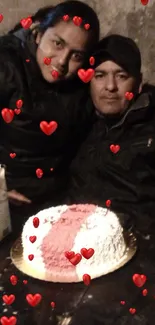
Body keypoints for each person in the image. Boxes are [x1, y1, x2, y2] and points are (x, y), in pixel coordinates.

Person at [0, 0, 100, 232]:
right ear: (37, 35)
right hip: (7, 203)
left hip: (56, 206)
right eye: (57, 43)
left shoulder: (81, 85)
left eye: (76, 56)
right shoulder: (7, 66)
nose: (62, 61)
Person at [68, 34, 155, 229]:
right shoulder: (79, 122)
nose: (110, 87)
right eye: (100, 76)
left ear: (138, 82)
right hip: (79, 240)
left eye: (121, 76)